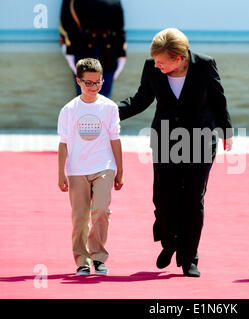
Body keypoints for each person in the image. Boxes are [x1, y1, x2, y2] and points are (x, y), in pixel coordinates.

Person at [118, 28, 233, 277]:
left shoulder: (204, 65)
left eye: (162, 62)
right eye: (155, 61)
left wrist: (227, 131)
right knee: (163, 197)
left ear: (178, 58)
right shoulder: (152, 67)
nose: (156, 65)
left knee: (192, 198)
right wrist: (107, 112)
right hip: (165, 138)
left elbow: (217, 98)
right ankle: (169, 241)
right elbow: (140, 100)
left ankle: (189, 256)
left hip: (201, 140)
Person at [57, 58, 124, 276]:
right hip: (77, 169)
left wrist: (120, 170)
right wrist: (61, 173)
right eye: (89, 82)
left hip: (104, 166)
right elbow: (64, 142)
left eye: (98, 82)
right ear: (78, 81)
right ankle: (82, 261)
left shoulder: (110, 107)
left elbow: (115, 139)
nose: (93, 87)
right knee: (80, 217)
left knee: (101, 210)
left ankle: (99, 256)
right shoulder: (69, 110)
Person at [59, 0, 127, 98]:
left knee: (105, 101)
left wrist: (122, 55)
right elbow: (66, 22)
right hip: (83, 50)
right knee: (84, 100)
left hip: (108, 53)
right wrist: (69, 52)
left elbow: (119, 28)